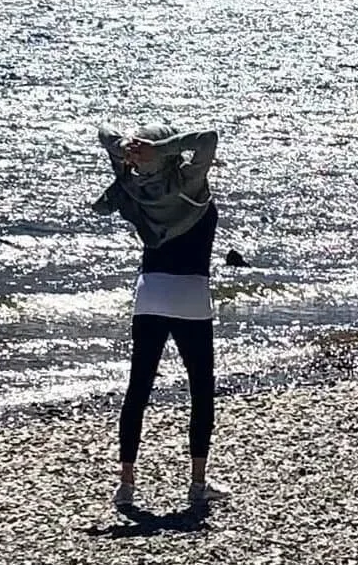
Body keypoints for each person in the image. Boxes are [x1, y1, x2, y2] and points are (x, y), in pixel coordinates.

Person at [91, 123, 228, 510]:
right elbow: (209, 138)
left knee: (138, 390)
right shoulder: (189, 185)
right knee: (201, 389)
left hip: (149, 295)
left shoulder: (133, 183)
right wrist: (161, 147)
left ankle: (126, 485)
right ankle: (198, 483)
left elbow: (102, 132)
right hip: (190, 297)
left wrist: (124, 148)